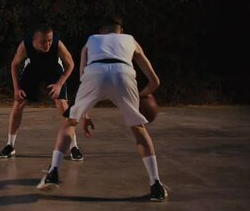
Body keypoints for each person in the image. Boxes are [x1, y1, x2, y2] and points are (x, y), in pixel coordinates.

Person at [36, 16, 168, 202]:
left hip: (95, 73)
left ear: (101, 31)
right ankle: (156, 185)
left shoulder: (92, 40)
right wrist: (143, 95)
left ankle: (53, 173)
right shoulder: (130, 40)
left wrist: (85, 113)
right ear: (120, 30)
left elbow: (83, 76)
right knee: (138, 129)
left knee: (69, 122)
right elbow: (155, 81)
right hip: (123, 73)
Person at [0, 23, 88, 161]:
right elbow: (14, 65)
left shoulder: (57, 45)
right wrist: (16, 89)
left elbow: (71, 64)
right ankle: (10, 145)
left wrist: (59, 84)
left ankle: (74, 147)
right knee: (19, 102)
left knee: (63, 105)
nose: (48, 45)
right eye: (43, 42)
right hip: (33, 68)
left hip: (54, 69)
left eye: (50, 40)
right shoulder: (25, 45)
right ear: (34, 40)